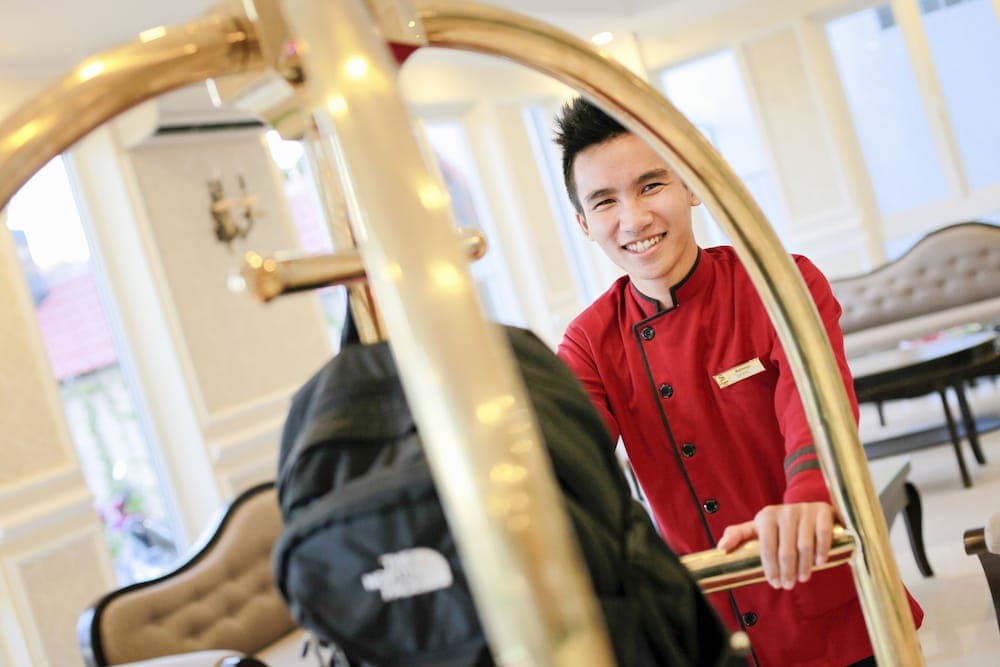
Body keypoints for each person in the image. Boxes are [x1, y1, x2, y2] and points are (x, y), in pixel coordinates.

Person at [553, 98, 922, 667]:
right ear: (584, 224)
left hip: (827, 600)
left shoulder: (781, 282)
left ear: (692, 185)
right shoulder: (589, 341)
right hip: (709, 632)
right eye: (605, 201)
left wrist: (808, 496)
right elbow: (571, 464)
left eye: (651, 185)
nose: (634, 218)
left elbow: (817, 407)